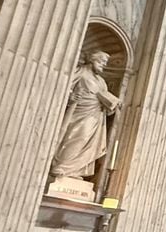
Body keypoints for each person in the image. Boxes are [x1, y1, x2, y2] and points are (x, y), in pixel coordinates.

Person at [51, 51, 120, 180]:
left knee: (88, 141)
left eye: (105, 63)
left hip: (96, 116)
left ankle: (75, 171)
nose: (103, 65)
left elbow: (107, 101)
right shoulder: (81, 72)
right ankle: (62, 167)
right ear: (92, 60)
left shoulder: (101, 81)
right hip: (79, 113)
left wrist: (112, 105)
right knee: (76, 138)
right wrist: (70, 96)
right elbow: (63, 86)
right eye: (101, 62)